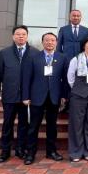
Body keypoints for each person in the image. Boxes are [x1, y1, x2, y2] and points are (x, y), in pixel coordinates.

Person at [0, 25, 37, 162]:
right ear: (13, 36)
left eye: (23, 34)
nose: (21, 36)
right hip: (9, 95)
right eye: (18, 34)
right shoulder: (3, 53)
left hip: (26, 97)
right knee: (8, 124)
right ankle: (5, 151)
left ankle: (20, 149)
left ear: (27, 36)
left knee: (24, 125)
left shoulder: (35, 53)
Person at [21, 32, 67, 164]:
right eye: (47, 40)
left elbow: (65, 79)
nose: (50, 43)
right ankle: (30, 153)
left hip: (54, 97)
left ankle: (51, 151)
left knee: (52, 126)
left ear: (56, 43)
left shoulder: (62, 58)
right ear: (42, 42)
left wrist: (64, 95)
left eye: (52, 40)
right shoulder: (33, 57)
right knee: (33, 126)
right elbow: (26, 78)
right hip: (36, 96)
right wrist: (26, 96)